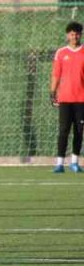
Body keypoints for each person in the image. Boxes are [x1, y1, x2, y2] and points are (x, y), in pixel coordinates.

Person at [50, 21, 84, 173]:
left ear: (80, 35)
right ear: (67, 35)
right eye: (72, 33)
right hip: (65, 98)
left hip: (81, 99)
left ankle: (75, 162)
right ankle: (59, 164)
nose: (74, 36)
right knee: (63, 130)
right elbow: (56, 75)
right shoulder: (61, 52)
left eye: (77, 33)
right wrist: (52, 93)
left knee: (78, 130)